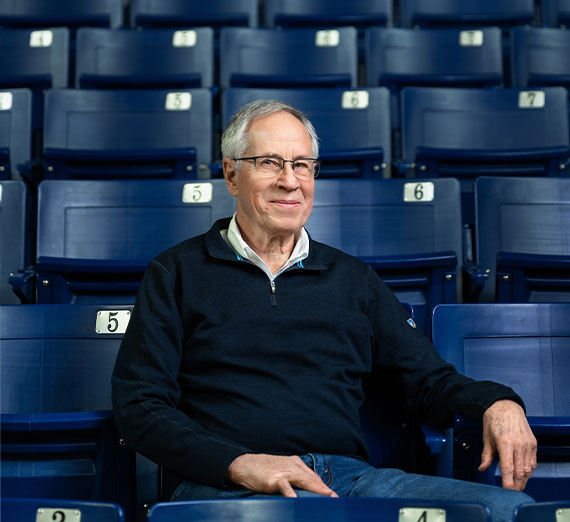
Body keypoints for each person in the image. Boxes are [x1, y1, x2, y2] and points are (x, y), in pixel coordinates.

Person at [112, 100, 537, 521]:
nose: (289, 180)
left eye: (302, 164)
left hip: (347, 481)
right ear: (230, 175)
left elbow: (427, 380)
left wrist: (497, 402)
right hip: (230, 486)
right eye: (269, 162)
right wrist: (239, 463)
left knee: (510, 511)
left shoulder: (354, 279)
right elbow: (141, 405)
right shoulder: (175, 273)